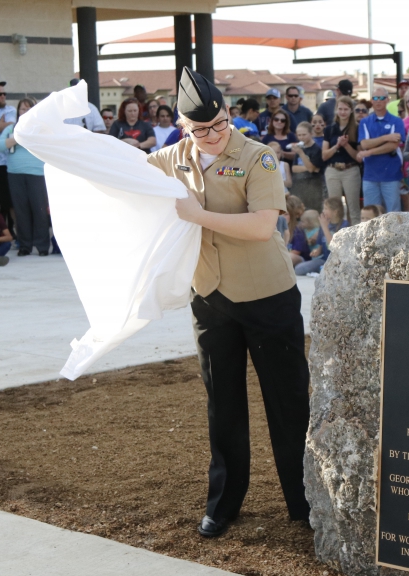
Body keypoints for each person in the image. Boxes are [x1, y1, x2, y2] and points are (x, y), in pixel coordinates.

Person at [146, 67, 310, 539]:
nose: (214, 135)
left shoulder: (257, 157)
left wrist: (199, 216)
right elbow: (121, 171)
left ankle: (303, 501)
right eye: (201, 129)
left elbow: (263, 226)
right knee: (224, 405)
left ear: (228, 114)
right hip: (211, 297)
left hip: (267, 295)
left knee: (287, 403)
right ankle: (224, 503)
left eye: (219, 123)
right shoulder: (171, 158)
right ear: (183, 127)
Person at [0, 97, 50, 256]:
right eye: (22, 109)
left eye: (28, 109)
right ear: (18, 112)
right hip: (15, 173)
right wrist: (16, 138)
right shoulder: (12, 129)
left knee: (39, 210)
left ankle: (42, 246)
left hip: (37, 173)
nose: (25, 111)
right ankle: (25, 246)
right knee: (21, 211)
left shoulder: (41, 129)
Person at [357, 87, 406, 212]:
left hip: (391, 175)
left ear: (388, 100)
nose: (378, 101)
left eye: (381, 98)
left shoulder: (396, 121)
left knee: (393, 213)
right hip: (370, 175)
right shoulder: (365, 122)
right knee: (371, 214)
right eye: (375, 98)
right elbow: (365, 144)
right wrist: (386, 137)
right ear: (371, 101)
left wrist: (369, 152)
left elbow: (393, 146)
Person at [321, 95, 361, 223]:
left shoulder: (357, 128)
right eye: (340, 109)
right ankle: (334, 236)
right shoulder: (329, 129)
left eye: (346, 109)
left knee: (353, 207)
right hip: (333, 169)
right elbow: (324, 155)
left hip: (351, 169)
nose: (343, 112)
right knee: (334, 207)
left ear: (351, 110)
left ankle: (356, 237)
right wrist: (337, 146)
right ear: (336, 110)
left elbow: (358, 156)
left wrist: (346, 145)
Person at [289, 122, 324, 212]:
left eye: (304, 134)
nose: (301, 137)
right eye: (299, 135)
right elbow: (294, 168)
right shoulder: (300, 147)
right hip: (300, 185)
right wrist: (308, 168)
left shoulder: (316, 149)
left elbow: (312, 169)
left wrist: (301, 153)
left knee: (314, 211)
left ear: (311, 134)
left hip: (314, 186)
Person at [289, 209, 327, 274]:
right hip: (312, 258)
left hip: (319, 257)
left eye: (303, 222)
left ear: (310, 223)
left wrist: (311, 240)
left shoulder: (316, 231)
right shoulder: (305, 230)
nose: (300, 223)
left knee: (299, 269)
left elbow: (312, 242)